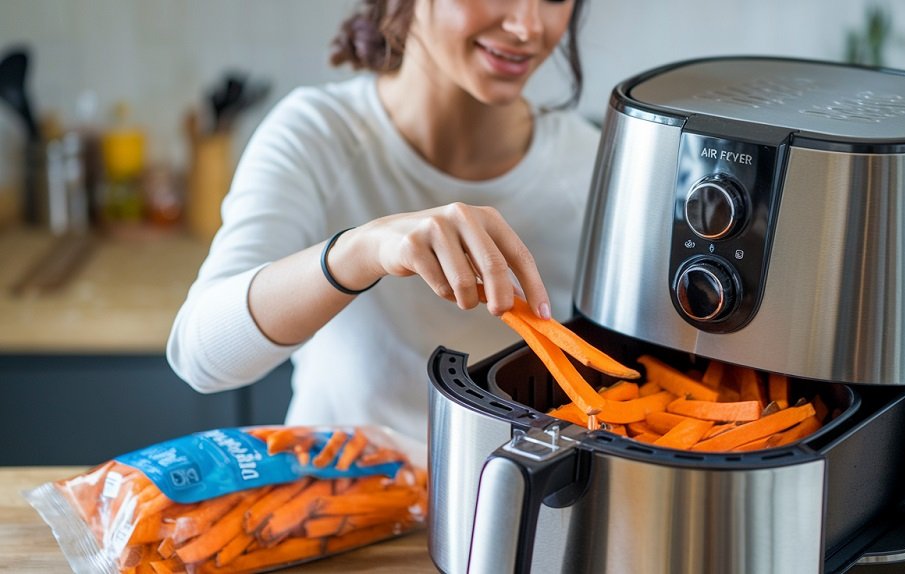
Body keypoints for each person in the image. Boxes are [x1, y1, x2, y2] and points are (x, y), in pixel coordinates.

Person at [167, 0, 598, 449]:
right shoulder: (317, 134)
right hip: (338, 486)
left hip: (517, 492)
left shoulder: (594, 165)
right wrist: (361, 251)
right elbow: (202, 357)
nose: (526, 26)